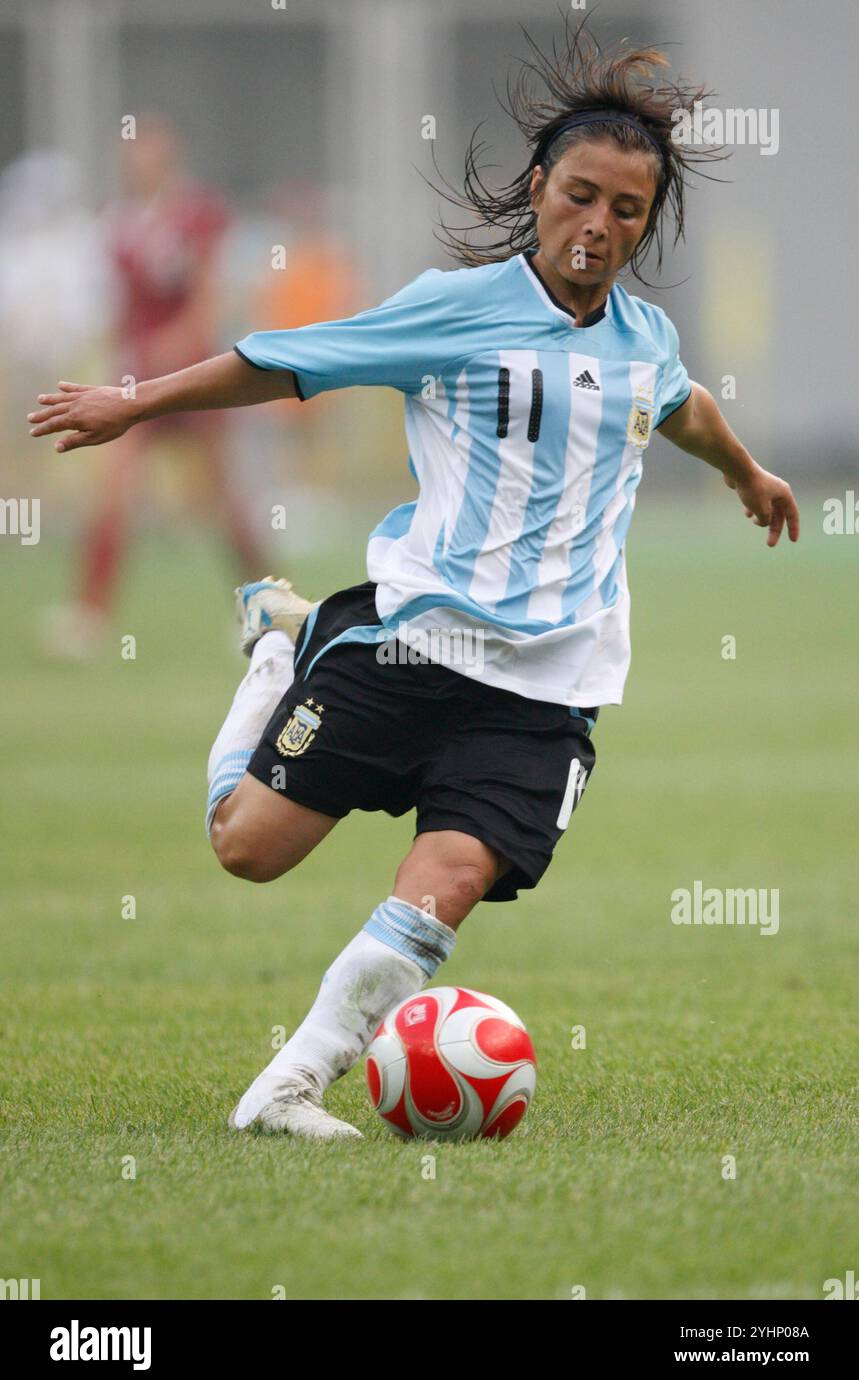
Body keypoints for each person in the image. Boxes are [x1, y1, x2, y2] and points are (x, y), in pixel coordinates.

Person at [29, 23, 799, 1139]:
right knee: (246, 848)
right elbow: (287, 359)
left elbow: (681, 405)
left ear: (647, 220)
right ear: (540, 186)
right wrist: (134, 401)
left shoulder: (645, 339)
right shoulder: (456, 309)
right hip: (410, 641)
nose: (598, 227)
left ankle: (289, 1086)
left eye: (625, 212)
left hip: (548, 687)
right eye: (580, 196)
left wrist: (749, 472)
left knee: (449, 872)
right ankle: (277, 649)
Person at [42, 112, 264, 658]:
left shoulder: (198, 214)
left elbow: (211, 296)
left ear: (171, 154)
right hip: (132, 385)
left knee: (219, 497)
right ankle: (89, 616)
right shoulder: (116, 223)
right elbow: (115, 309)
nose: (141, 158)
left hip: (192, 381)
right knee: (113, 491)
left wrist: (180, 343)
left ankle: (262, 605)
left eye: (151, 148)